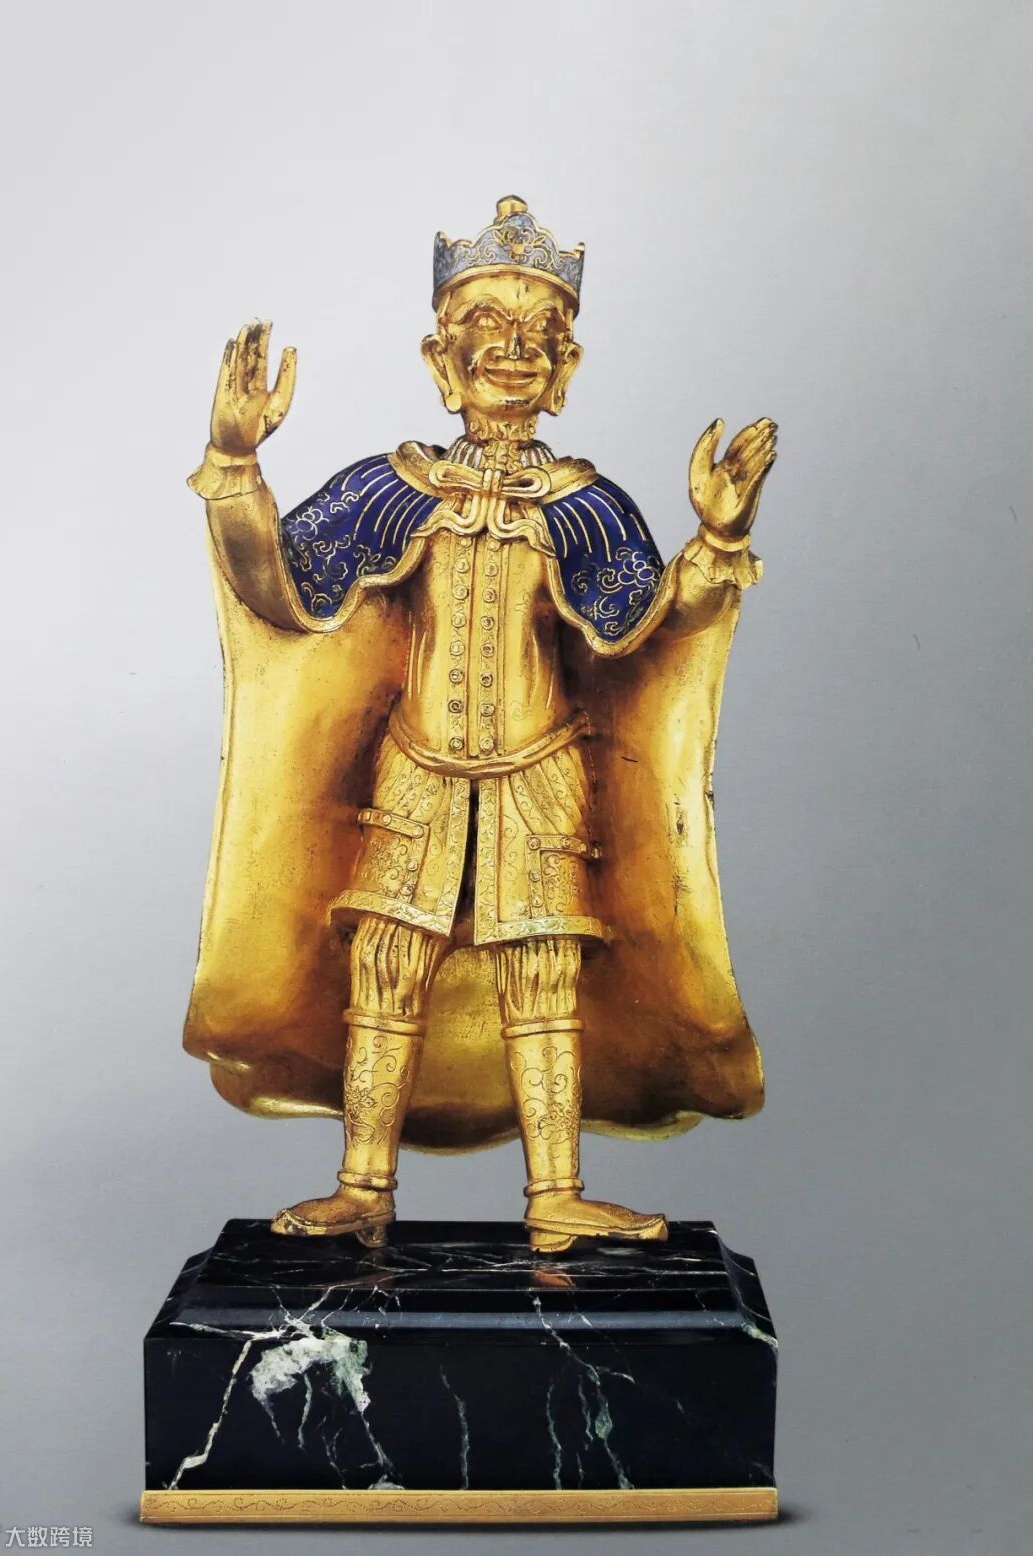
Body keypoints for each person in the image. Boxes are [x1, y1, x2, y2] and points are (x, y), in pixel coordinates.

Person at [186, 197, 777, 1253]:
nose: (512, 347)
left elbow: (647, 631)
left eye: (539, 332)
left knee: (543, 972)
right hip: (413, 771)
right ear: (440, 359)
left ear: (566, 368)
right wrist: (234, 468)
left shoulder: (586, 506)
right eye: (485, 325)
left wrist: (715, 546)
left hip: (538, 776)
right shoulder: (391, 489)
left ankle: (557, 1193)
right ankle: (363, 1187)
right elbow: (277, 587)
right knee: (385, 965)